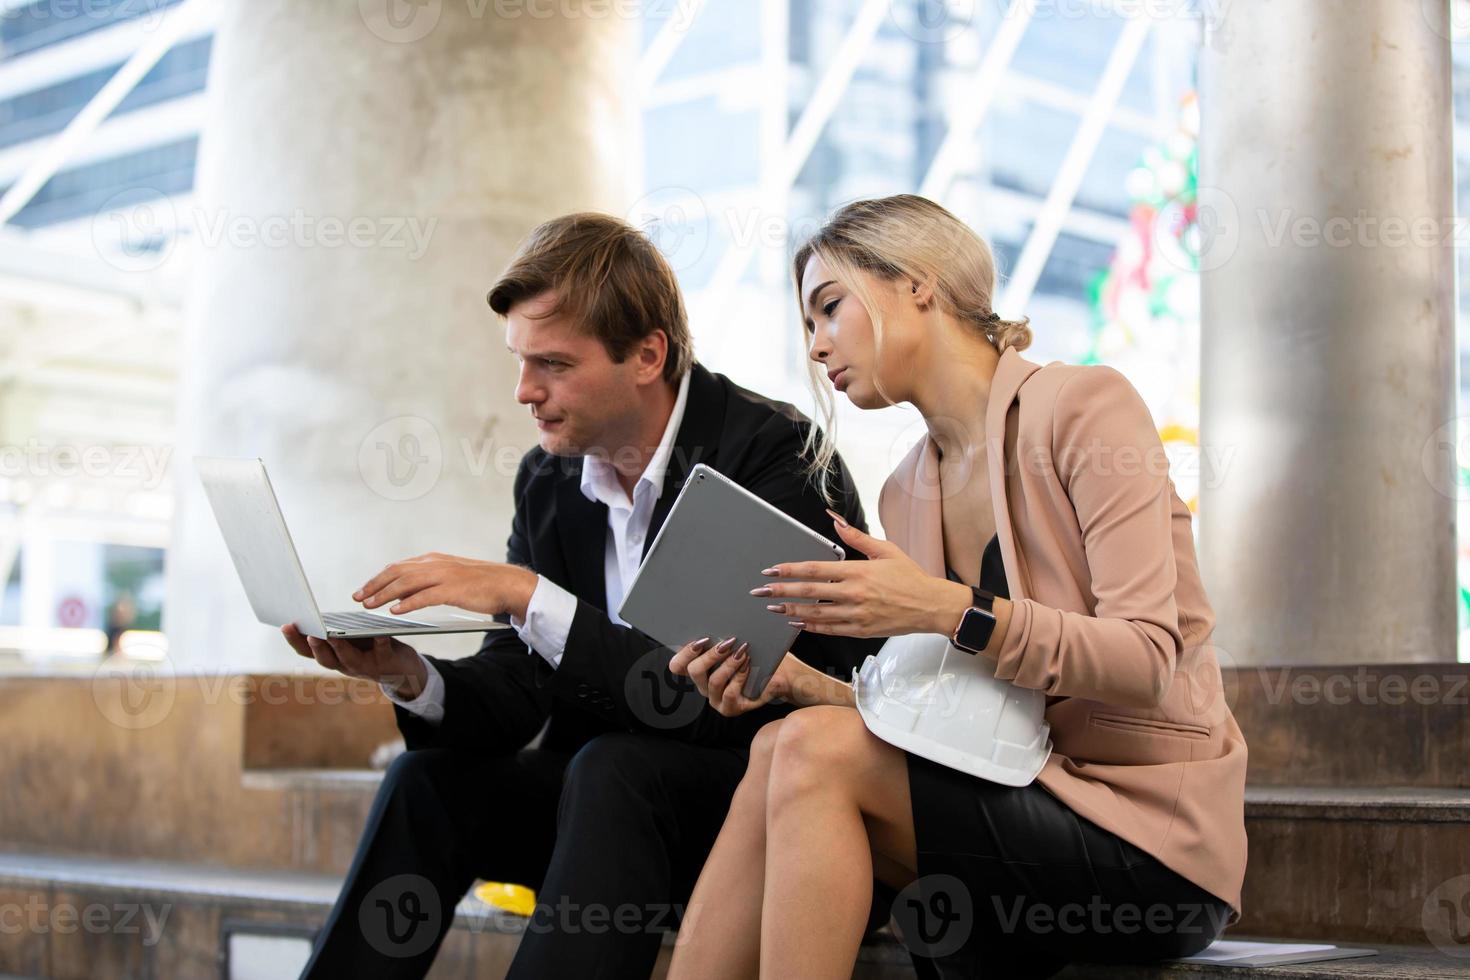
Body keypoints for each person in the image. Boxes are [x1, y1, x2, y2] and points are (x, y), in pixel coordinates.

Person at [281, 212, 883, 978]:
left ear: (646, 355)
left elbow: (699, 700)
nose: (524, 392)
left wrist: (528, 594)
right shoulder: (550, 479)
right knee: (425, 782)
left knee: (614, 766)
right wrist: (407, 675)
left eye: (554, 365)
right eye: (520, 362)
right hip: (600, 825)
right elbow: (517, 690)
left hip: (753, 815)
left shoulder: (772, 456)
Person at [667, 195, 1248, 979]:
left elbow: (1146, 660)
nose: (816, 346)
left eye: (829, 309)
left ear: (918, 284)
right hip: (1019, 791)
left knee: (806, 753)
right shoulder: (911, 487)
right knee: (780, 740)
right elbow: (954, 714)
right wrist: (805, 685)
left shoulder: (1084, 408)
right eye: (808, 327)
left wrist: (945, 608)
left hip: (1150, 841)